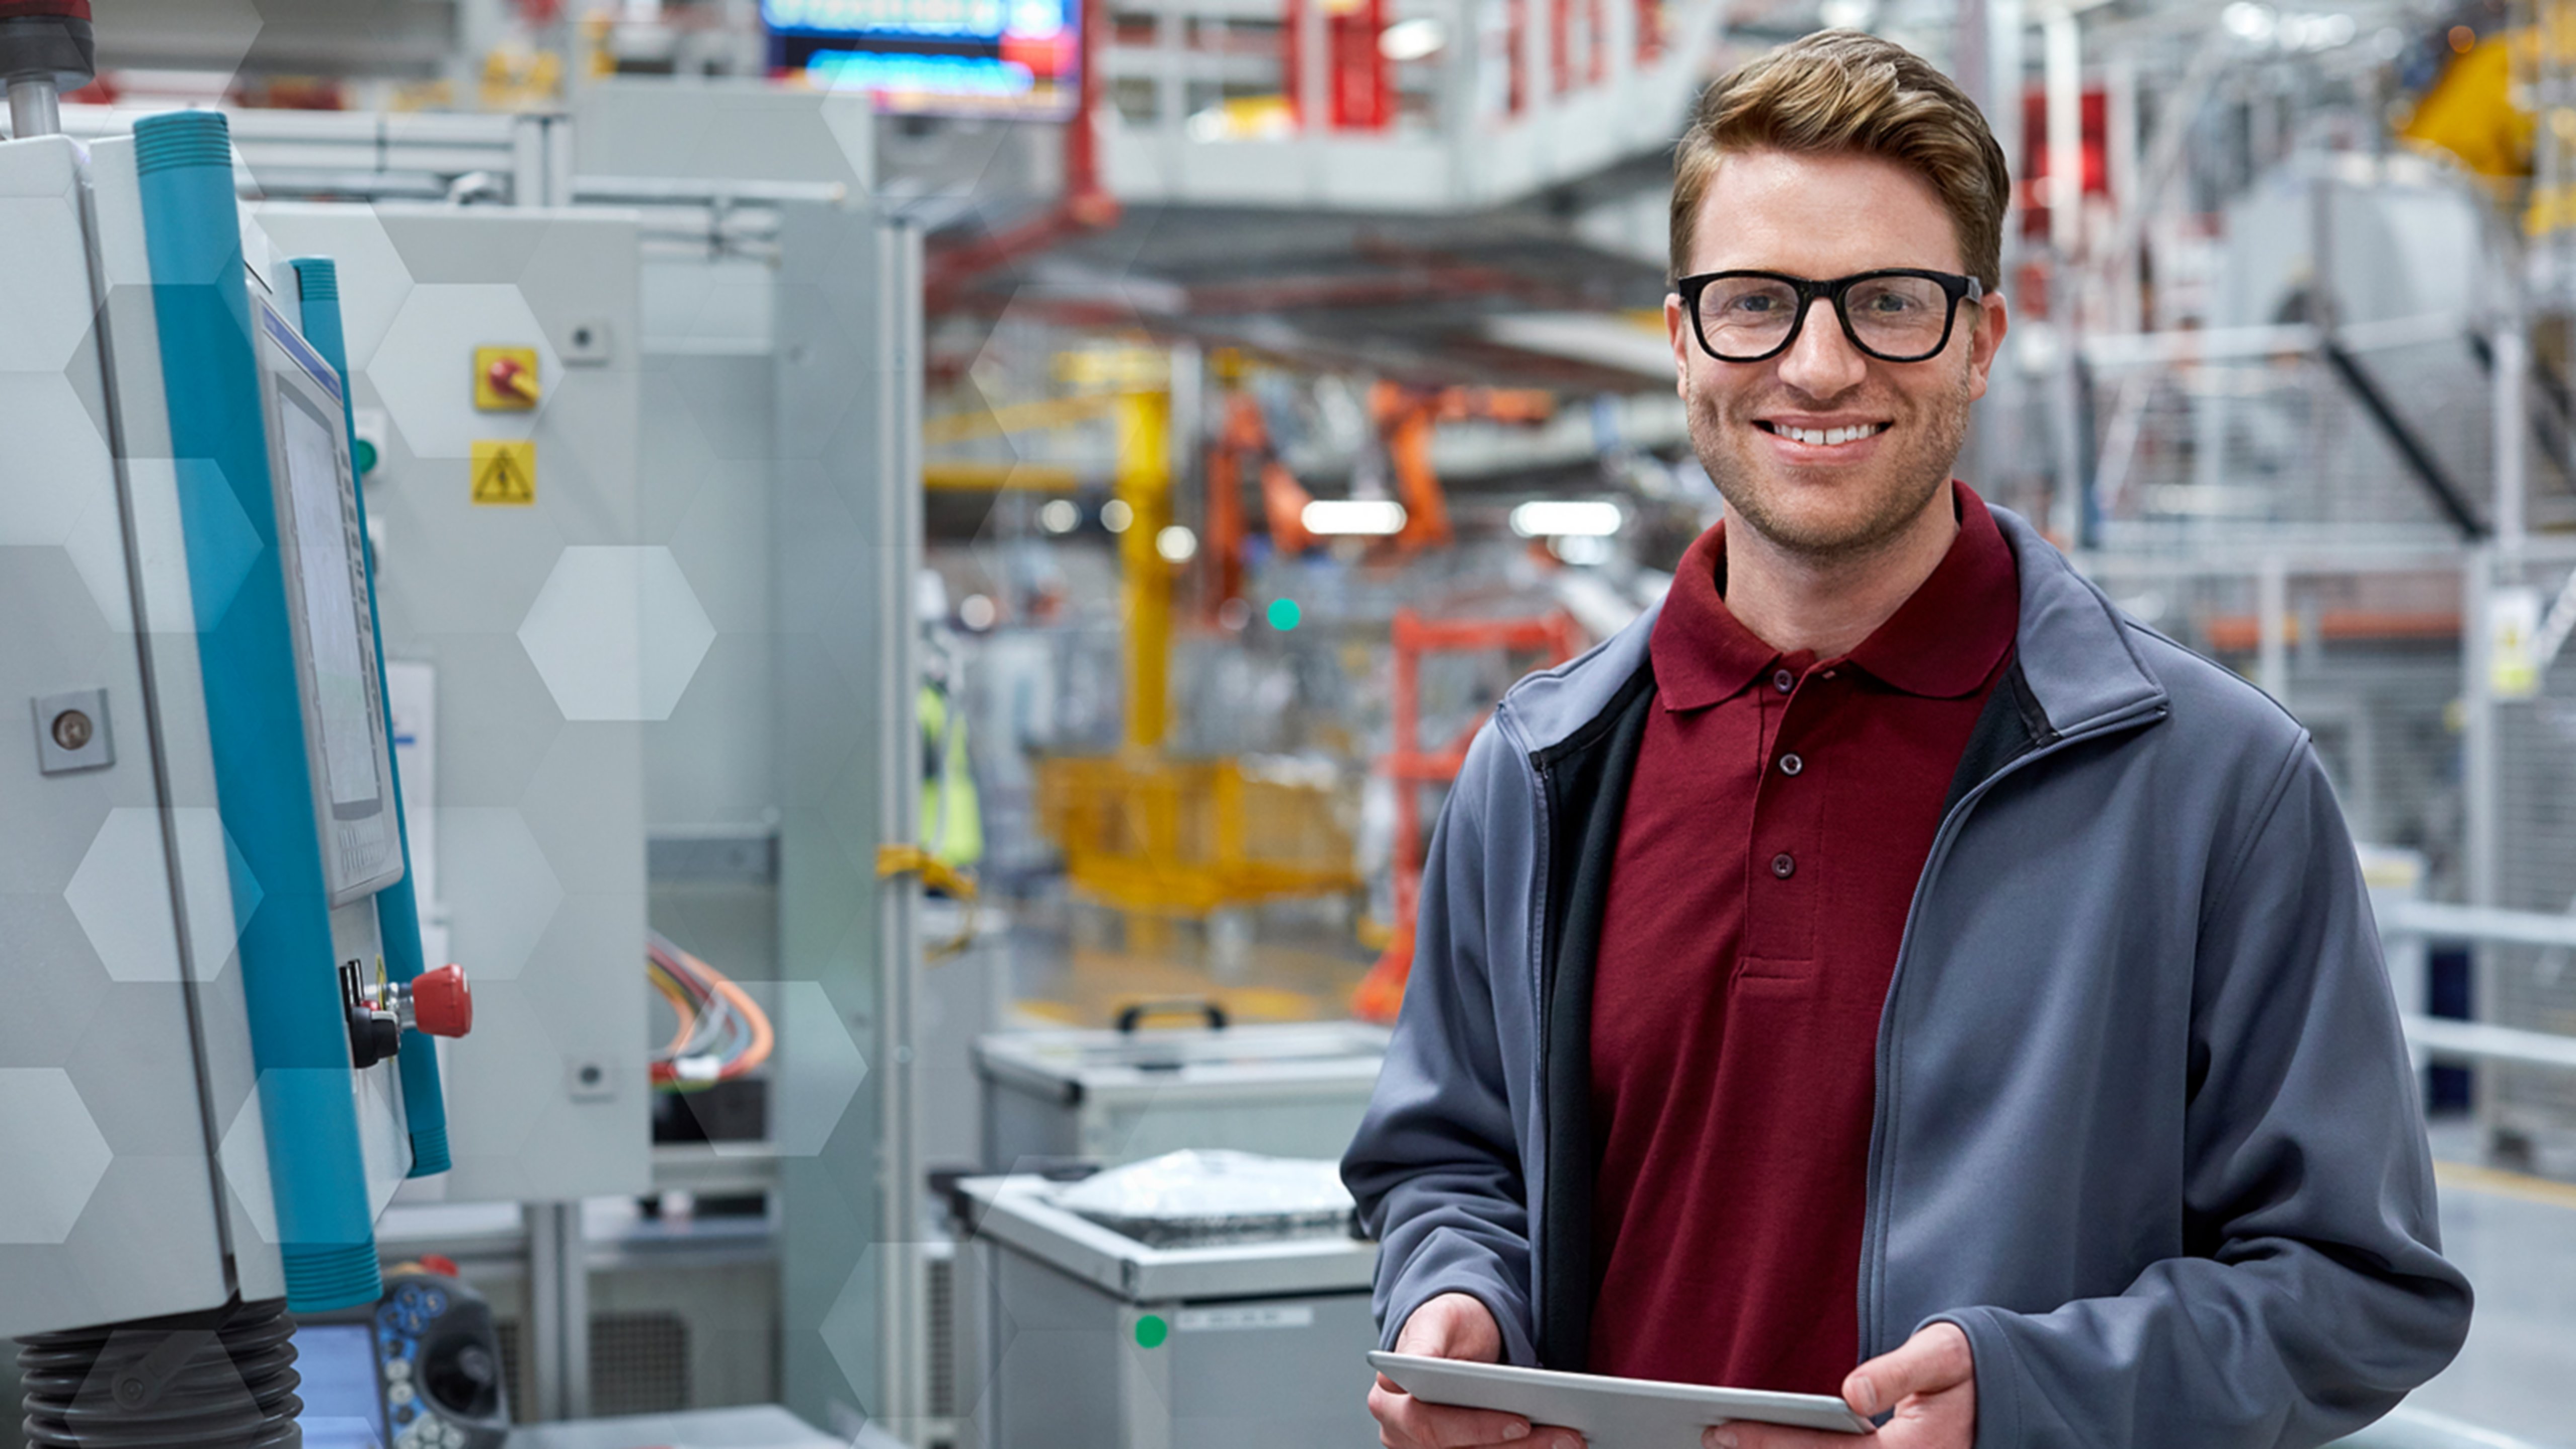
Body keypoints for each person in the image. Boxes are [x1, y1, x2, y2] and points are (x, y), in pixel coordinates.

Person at [1342, 30, 2471, 1449]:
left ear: (1981, 340)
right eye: (1757, 302)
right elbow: (1451, 1156)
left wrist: (2032, 1393)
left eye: (1888, 302)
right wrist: (1459, 1297)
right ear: (1685, 336)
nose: (1818, 366)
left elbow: (2358, 1290)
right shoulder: (1541, 770)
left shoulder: (2210, 786)